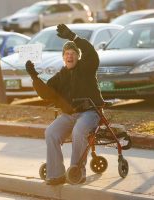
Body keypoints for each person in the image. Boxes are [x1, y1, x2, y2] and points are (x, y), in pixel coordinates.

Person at [25, 24, 104, 185]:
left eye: (73, 53)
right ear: (63, 57)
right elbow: (46, 93)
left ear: (78, 56)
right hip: (69, 115)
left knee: (79, 131)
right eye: (67, 54)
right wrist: (34, 77)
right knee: (51, 132)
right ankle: (56, 174)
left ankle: (77, 171)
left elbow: (92, 54)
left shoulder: (86, 67)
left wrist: (73, 37)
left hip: (91, 112)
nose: (70, 56)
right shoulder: (61, 76)